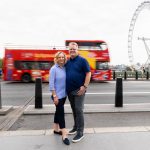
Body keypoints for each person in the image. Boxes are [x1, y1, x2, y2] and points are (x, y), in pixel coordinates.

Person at [65, 42, 91, 143]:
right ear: (69, 50)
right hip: (69, 90)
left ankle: (80, 132)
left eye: (74, 49)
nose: (72, 51)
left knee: (79, 110)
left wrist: (85, 86)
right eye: (70, 49)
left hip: (79, 90)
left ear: (77, 50)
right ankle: (75, 127)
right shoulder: (67, 61)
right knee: (74, 110)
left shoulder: (83, 60)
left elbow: (88, 73)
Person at [49, 51, 70, 145]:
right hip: (57, 96)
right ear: (56, 58)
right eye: (59, 57)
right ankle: (64, 134)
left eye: (63, 57)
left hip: (64, 95)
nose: (61, 58)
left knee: (58, 111)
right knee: (61, 113)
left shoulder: (64, 68)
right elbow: (51, 84)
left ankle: (55, 129)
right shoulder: (54, 69)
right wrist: (54, 96)